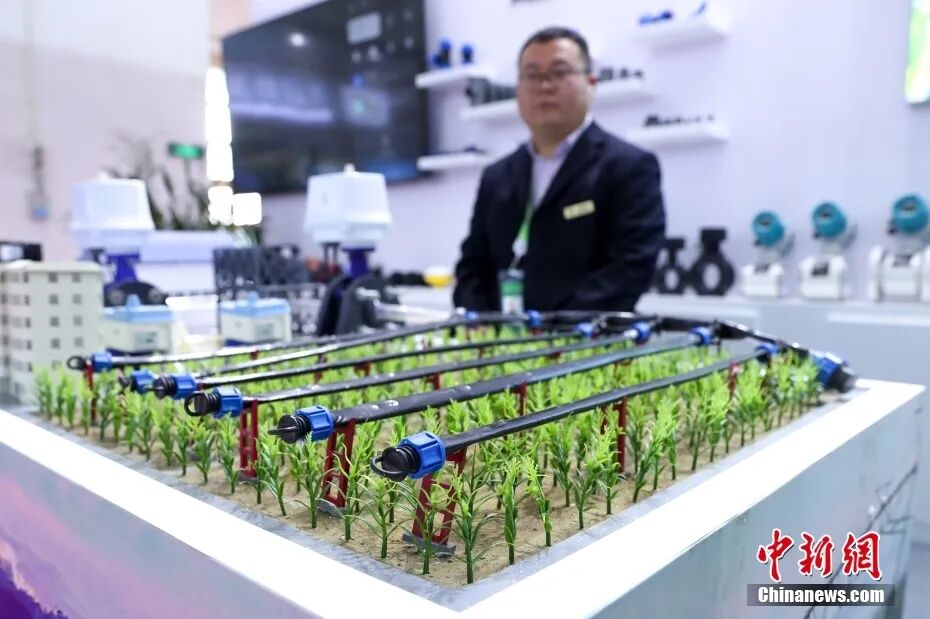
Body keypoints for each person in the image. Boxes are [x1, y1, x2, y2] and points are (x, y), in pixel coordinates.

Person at [452, 27, 666, 312]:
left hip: (589, 337)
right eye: (532, 75)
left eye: (559, 72)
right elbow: (472, 267)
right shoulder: (496, 176)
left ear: (591, 83)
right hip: (498, 336)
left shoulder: (629, 167)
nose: (544, 86)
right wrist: (482, 324)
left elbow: (630, 269)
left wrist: (552, 328)